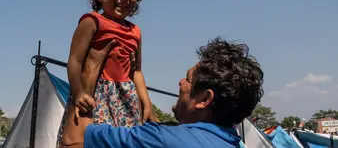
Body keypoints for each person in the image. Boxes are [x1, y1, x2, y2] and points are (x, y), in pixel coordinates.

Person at [61, 37, 264, 147]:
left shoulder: (164, 139)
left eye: (188, 79)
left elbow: (72, 143)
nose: (180, 82)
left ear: (205, 98)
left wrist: (89, 75)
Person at [56, 0, 157, 146]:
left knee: (125, 141)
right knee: (91, 140)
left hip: (126, 97)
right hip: (96, 95)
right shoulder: (92, 22)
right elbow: (75, 61)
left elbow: (136, 71)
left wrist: (146, 102)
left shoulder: (135, 31)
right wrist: (78, 93)